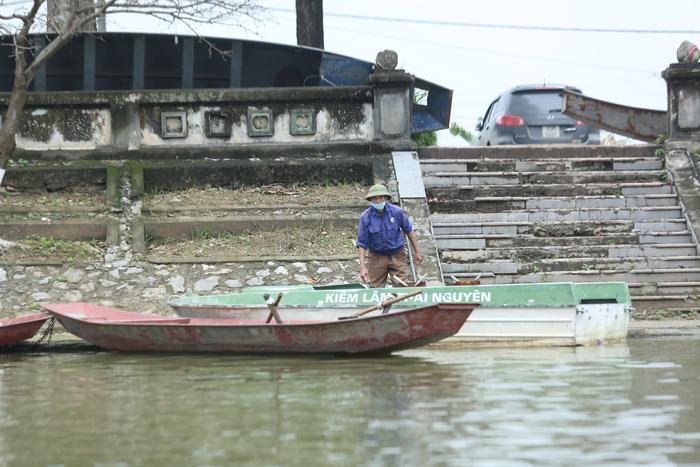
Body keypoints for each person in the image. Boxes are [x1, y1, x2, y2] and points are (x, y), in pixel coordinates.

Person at [356, 184, 423, 288]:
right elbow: (362, 243)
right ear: (371, 199)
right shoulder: (365, 217)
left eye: (381, 197)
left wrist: (417, 251)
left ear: (386, 198)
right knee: (375, 288)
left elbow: (409, 230)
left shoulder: (397, 212)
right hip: (376, 257)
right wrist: (362, 267)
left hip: (397, 255)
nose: (378, 201)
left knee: (401, 286)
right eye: (375, 198)